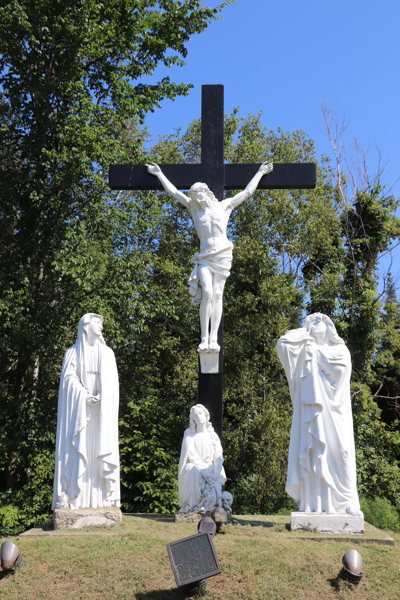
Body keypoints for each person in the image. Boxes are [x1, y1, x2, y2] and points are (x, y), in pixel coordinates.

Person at [146, 161, 273, 352]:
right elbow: (174, 193)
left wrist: (260, 173)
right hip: (205, 255)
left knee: (218, 294)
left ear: (206, 193)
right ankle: (204, 337)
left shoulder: (224, 206)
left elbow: (247, 192)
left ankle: (214, 338)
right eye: (194, 196)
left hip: (222, 254)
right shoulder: (194, 208)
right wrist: (159, 174)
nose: (197, 199)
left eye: (198, 195)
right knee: (207, 293)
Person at [276, 313, 361, 515]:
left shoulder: (340, 350)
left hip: (336, 410)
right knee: (314, 454)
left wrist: (319, 357)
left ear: (329, 326)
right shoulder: (306, 349)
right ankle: (312, 505)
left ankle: (346, 502)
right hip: (312, 413)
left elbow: (341, 374)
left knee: (342, 452)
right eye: (311, 321)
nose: (315, 323)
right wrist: (303, 332)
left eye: (320, 320)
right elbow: (283, 344)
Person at [52, 313, 120, 510]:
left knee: (99, 449)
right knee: (79, 449)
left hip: (101, 410)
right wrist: (83, 395)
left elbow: (112, 384)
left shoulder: (107, 353)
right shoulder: (72, 353)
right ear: (86, 326)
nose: (101, 327)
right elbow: (68, 381)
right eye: (97, 323)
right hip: (80, 413)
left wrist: (101, 395)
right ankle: (74, 496)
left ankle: (102, 498)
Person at [178, 404, 226, 512]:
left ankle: (212, 507)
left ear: (206, 415)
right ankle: (192, 507)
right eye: (195, 415)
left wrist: (215, 473)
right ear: (193, 418)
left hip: (213, 470)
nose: (198, 416)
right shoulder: (189, 435)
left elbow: (218, 456)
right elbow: (191, 456)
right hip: (197, 469)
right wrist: (205, 473)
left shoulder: (213, 436)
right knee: (190, 468)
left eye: (200, 413)